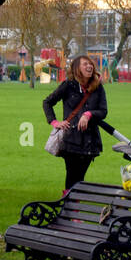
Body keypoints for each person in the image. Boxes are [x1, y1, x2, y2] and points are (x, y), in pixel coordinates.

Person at [42, 54, 108, 192]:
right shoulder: (68, 86)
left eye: (90, 64)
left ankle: (72, 205)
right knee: (72, 177)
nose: (89, 66)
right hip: (71, 140)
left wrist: (88, 114)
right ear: (77, 68)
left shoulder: (98, 88)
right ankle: (70, 206)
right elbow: (47, 102)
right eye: (85, 64)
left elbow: (103, 111)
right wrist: (54, 122)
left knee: (80, 178)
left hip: (90, 141)